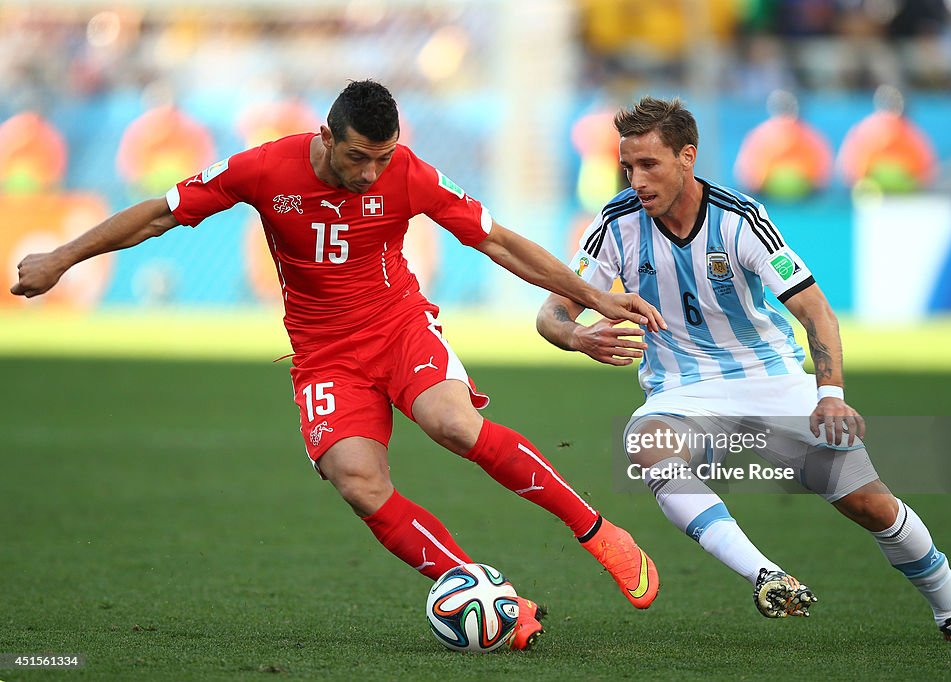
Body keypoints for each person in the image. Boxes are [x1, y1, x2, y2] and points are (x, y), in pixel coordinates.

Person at [10, 80, 669, 650]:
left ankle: (597, 531)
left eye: (381, 158)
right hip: (325, 353)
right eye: (358, 157)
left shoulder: (406, 171)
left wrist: (593, 299)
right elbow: (159, 214)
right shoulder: (265, 169)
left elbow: (496, 241)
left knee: (452, 424)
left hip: (398, 326)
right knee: (356, 480)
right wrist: (60, 259)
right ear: (326, 136)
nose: (370, 174)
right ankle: (479, 594)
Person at [536, 96, 951, 644]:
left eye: (650, 164)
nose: (636, 179)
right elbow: (553, 310)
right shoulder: (616, 223)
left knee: (869, 503)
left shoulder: (740, 219)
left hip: (771, 381)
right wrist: (575, 334)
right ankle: (766, 575)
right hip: (684, 391)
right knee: (647, 443)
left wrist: (830, 393)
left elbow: (815, 312)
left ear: (688, 157)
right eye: (629, 166)